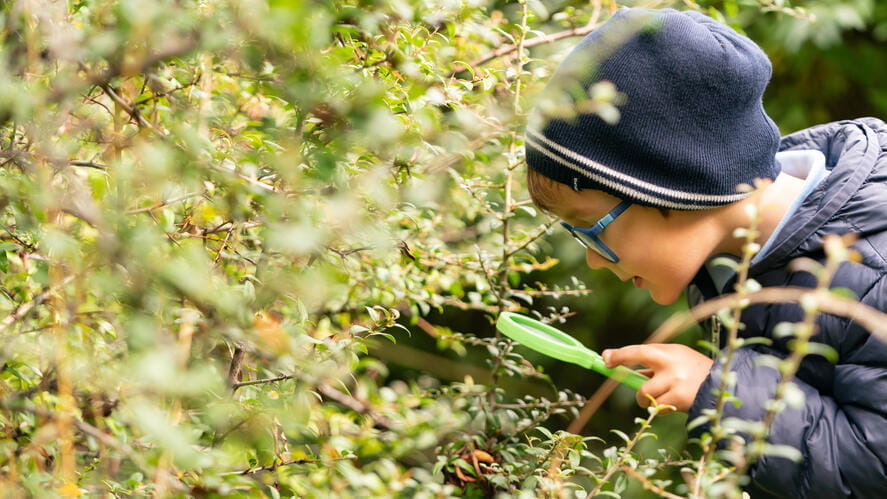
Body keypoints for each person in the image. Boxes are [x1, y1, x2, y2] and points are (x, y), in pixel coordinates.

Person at [524, 7, 887, 497]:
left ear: (674, 185)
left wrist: (723, 393)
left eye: (593, 227)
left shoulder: (873, 266)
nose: (592, 258)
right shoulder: (731, 264)